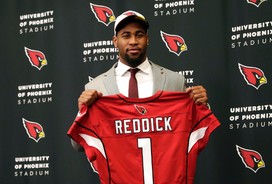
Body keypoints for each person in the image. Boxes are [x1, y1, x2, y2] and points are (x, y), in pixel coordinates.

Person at [72, 10, 209, 151]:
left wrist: (202, 106)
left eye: (139, 35)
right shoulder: (95, 86)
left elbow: (195, 134)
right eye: (126, 36)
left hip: (165, 171)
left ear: (147, 39)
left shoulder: (175, 81)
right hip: (118, 171)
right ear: (115, 41)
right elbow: (78, 146)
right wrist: (82, 113)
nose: (133, 41)